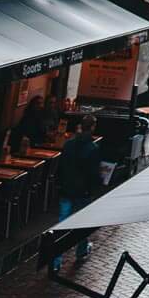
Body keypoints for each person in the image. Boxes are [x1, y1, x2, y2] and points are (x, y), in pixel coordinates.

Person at [52, 114, 102, 272]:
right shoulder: (93, 148)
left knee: (62, 224)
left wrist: (60, 184)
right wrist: (94, 188)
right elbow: (93, 174)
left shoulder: (69, 144)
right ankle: (81, 250)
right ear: (92, 127)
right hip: (82, 191)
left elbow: (61, 167)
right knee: (81, 222)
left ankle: (56, 261)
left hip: (67, 189)